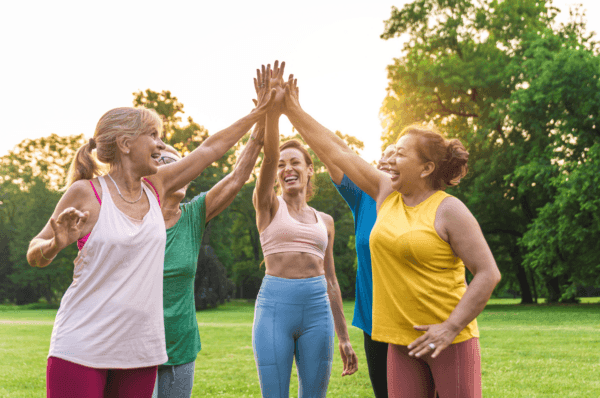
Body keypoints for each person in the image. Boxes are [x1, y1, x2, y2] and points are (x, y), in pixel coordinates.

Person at [27, 71, 276, 397]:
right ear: (126, 143)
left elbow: (211, 148)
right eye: (153, 136)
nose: (160, 145)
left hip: (139, 352)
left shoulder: (157, 188)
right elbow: (35, 251)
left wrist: (259, 113)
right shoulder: (85, 193)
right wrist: (55, 244)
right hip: (82, 346)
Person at [281, 76, 501, 398]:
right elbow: (338, 150)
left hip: (450, 342)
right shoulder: (385, 193)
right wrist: (293, 110)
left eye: (399, 155)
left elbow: (487, 273)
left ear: (426, 168)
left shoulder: (449, 210)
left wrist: (451, 327)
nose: (388, 161)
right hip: (399, 341)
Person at [251, 62, 358, 398]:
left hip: (317, 312)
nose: (287, 168)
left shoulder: (324, 221)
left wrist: (343, 336)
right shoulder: (267, 205)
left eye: (295, 162)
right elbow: (268, 157)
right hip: (274, 309)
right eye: (282, 164)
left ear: (311, 170)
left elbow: (331, 280)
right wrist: (271, 111)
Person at [152, 120, 266, 398]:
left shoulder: (193, 217)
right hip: (136, 349)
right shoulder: (133, 217)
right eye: (165, 161)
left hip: (181, 347)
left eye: (181, 164)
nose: (176, 169)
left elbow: (238, 177)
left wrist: (260, 129)